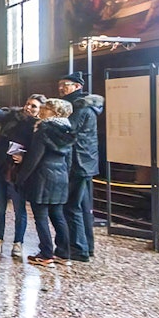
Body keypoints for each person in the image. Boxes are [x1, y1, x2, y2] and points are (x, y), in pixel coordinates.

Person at [0, 87, 42, 258]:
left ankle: (18, 243)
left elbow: (39, 150)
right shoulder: (14, 116)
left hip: (18, 169)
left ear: (40, 110)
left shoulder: (40, 127)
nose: (29, 108)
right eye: (28, 104)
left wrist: (24, 157)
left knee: (19, 208)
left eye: (34, 106)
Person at [15, 98, 75, 267]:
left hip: (42, 177)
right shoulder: (68, 130)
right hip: (60, 176)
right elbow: (69, 160)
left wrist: (21, 178)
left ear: (55, 113)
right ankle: (64, 254)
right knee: (58, 216)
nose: (42, 109)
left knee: (40, 216)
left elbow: (35, 157)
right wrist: (65, 177)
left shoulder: (43, 129)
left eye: (46, 108)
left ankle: (46, 253)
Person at [58, 71, 104, 262]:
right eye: (60, 84)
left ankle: (78, 250)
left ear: (77, 86)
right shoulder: (88, 106)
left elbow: (68, 129)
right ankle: (87, 246)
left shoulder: (79, 107)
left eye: (65, 84)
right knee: (83, 208)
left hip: (77, 162)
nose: (61, 88)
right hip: (87, 161)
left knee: (71, 207)